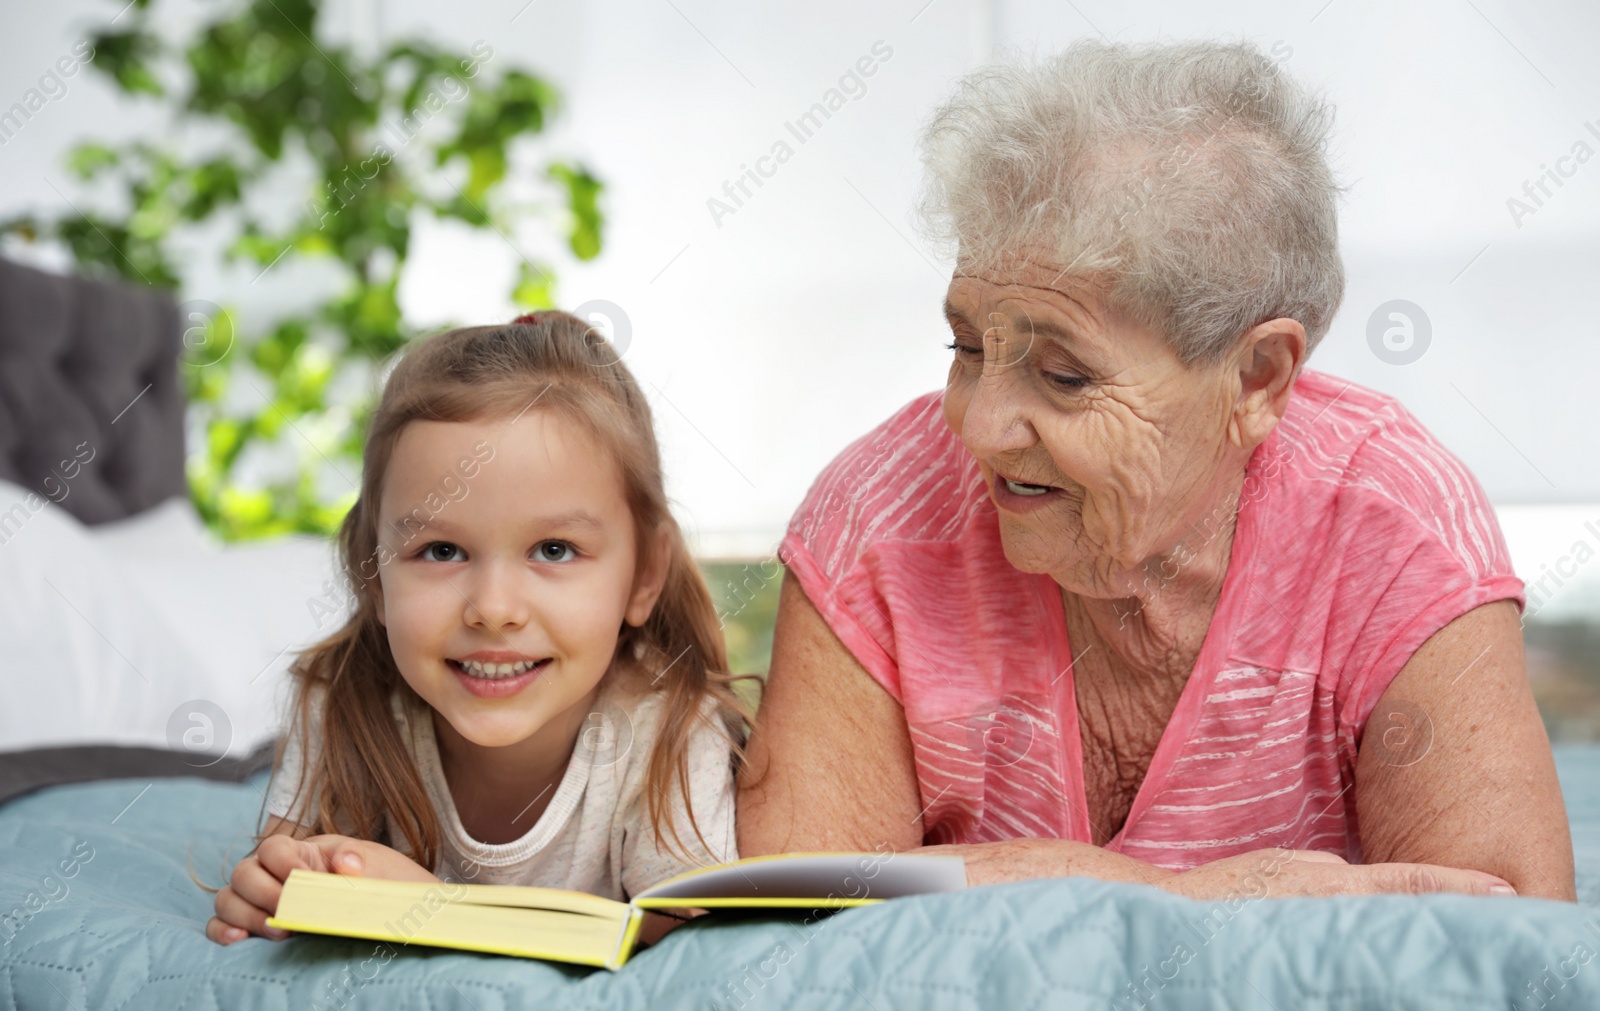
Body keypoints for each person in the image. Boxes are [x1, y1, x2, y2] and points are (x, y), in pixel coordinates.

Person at [737, 39, 1577, 901]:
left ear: (1256, 379)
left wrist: (1035, 892)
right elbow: (792, 931)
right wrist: (1179, 895)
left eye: (1064, 375)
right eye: (968, 346)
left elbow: (1511, 947)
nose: (981, 427)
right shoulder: (876, 517)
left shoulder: (1396, 528)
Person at [206, 311, 749, 946]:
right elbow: (288, 882)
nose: (493, 609)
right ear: (373, 576)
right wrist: (270, 893)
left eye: (553, 550)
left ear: (644, 576)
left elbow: (695, 948)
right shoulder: (340, 704)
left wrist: (433, 910)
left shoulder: (672, 734)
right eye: (441, 552)